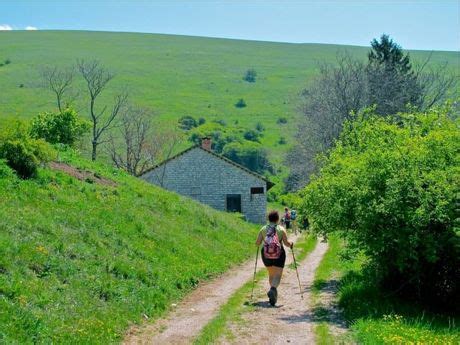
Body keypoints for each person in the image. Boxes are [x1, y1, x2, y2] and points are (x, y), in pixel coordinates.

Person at [256, 210, 294, 306]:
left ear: (268, 218)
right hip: (279, 254)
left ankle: (273, 293)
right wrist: (291, 244)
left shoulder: (263, 229)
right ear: (277, 219)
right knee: (278, 275)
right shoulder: (281, 229)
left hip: (266, 254)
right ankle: (273, 290)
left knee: (271, 274)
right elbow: (286, 243)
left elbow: (257, 243)